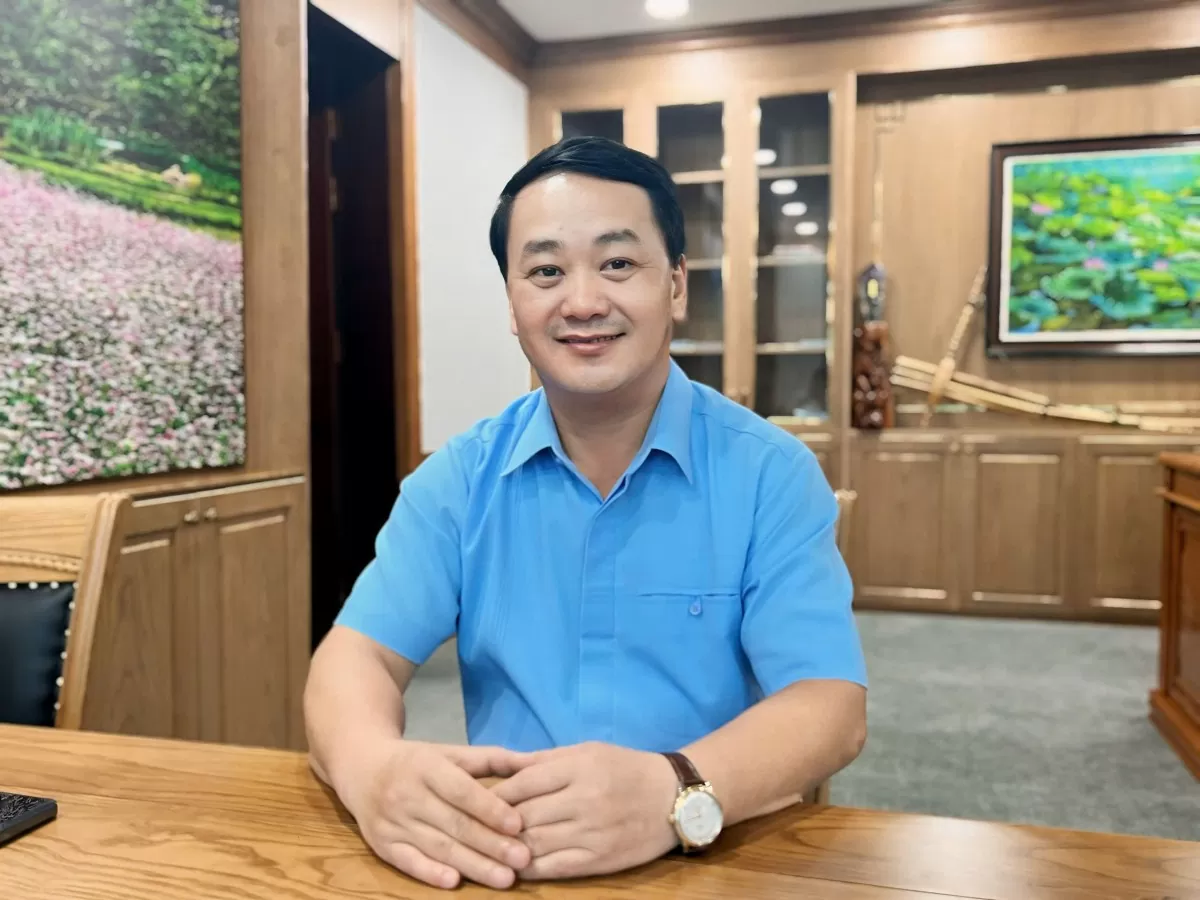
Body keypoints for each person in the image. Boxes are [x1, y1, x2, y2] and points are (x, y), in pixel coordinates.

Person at [303, 136, 868, 891]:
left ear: (676, 285)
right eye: (545, 271)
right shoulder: (458, 482)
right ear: (512, 304)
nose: (582, 302)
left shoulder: (771, 474)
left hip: (714, 860)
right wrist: (373, 769)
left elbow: (829, 703)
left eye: (618, 263)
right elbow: (354, 658)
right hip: (510, 862)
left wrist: (676, 789)